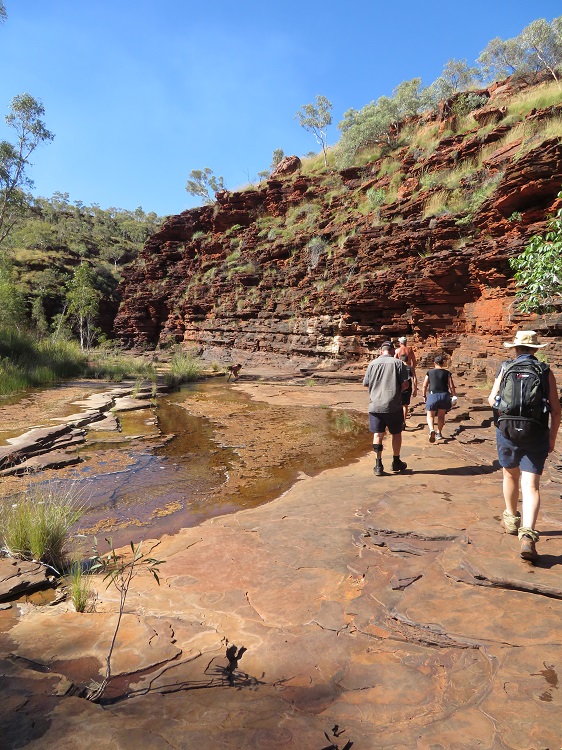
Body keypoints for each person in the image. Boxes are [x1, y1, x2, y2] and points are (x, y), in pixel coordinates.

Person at [487, 330, 560, 561]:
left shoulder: (506, 367)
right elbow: (556, 410)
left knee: (510, 476)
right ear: (535, 350)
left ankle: (511, 519)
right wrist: (552, 438)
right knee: (532, 486)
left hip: (507, 432)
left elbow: (492, 400)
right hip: (536, 432)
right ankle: (527, 535)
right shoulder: (544, 371)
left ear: (515, 349)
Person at [363, 341, 410, 477]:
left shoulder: (372, 364)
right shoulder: (398, 363)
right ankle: (396, 461)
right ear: (393, 351)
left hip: (375, 405)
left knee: (378, 434)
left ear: (380, 351)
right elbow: (405, 384)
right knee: (396, 433)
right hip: (393, 406)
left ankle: (378, 465)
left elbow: (366, 383)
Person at [423, 354, 456, 443]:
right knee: (441, 415)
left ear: (434, 363)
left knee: (430, 415)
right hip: (444, 395)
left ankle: (431, 429)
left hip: (433, 395)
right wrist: (454, 396)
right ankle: (439, 433)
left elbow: (425, 385)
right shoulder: (447, 373)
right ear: (443, 363)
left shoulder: (430, 372)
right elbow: (451, 386)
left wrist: (424, 396)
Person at [399, 353, 418, 428]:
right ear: (408, 360)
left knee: (399, 405)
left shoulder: (399, 368)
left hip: (399, 387)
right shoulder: (410, 368)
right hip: (408, 387)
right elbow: (414, 378)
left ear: (400, 360)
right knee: (405, 405)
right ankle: (403, 421)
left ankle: (399, 420)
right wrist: (415, 388)